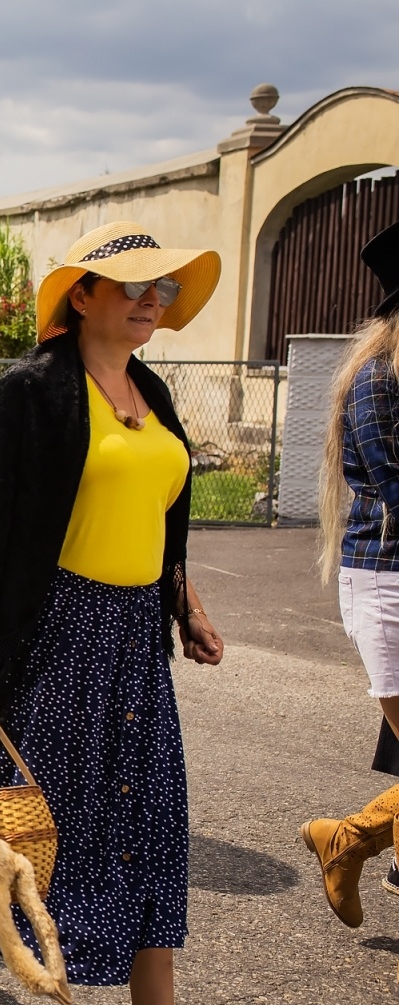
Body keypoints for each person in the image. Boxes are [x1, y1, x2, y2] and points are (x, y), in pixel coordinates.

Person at [0, 222, 229, 1005]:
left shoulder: (154, 394)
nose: (153, 301)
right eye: (136, 286)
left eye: (165, 289)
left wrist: (186, 601)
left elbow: (153, 519)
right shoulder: (31, 390)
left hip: (133, 639)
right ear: (83, 295)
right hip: (46, 631)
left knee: (147, 821)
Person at [303, 219, 399, 921]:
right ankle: (350, 841)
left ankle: (350, 839)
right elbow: (395, 484)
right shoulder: (376, 382)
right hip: (387, 581)